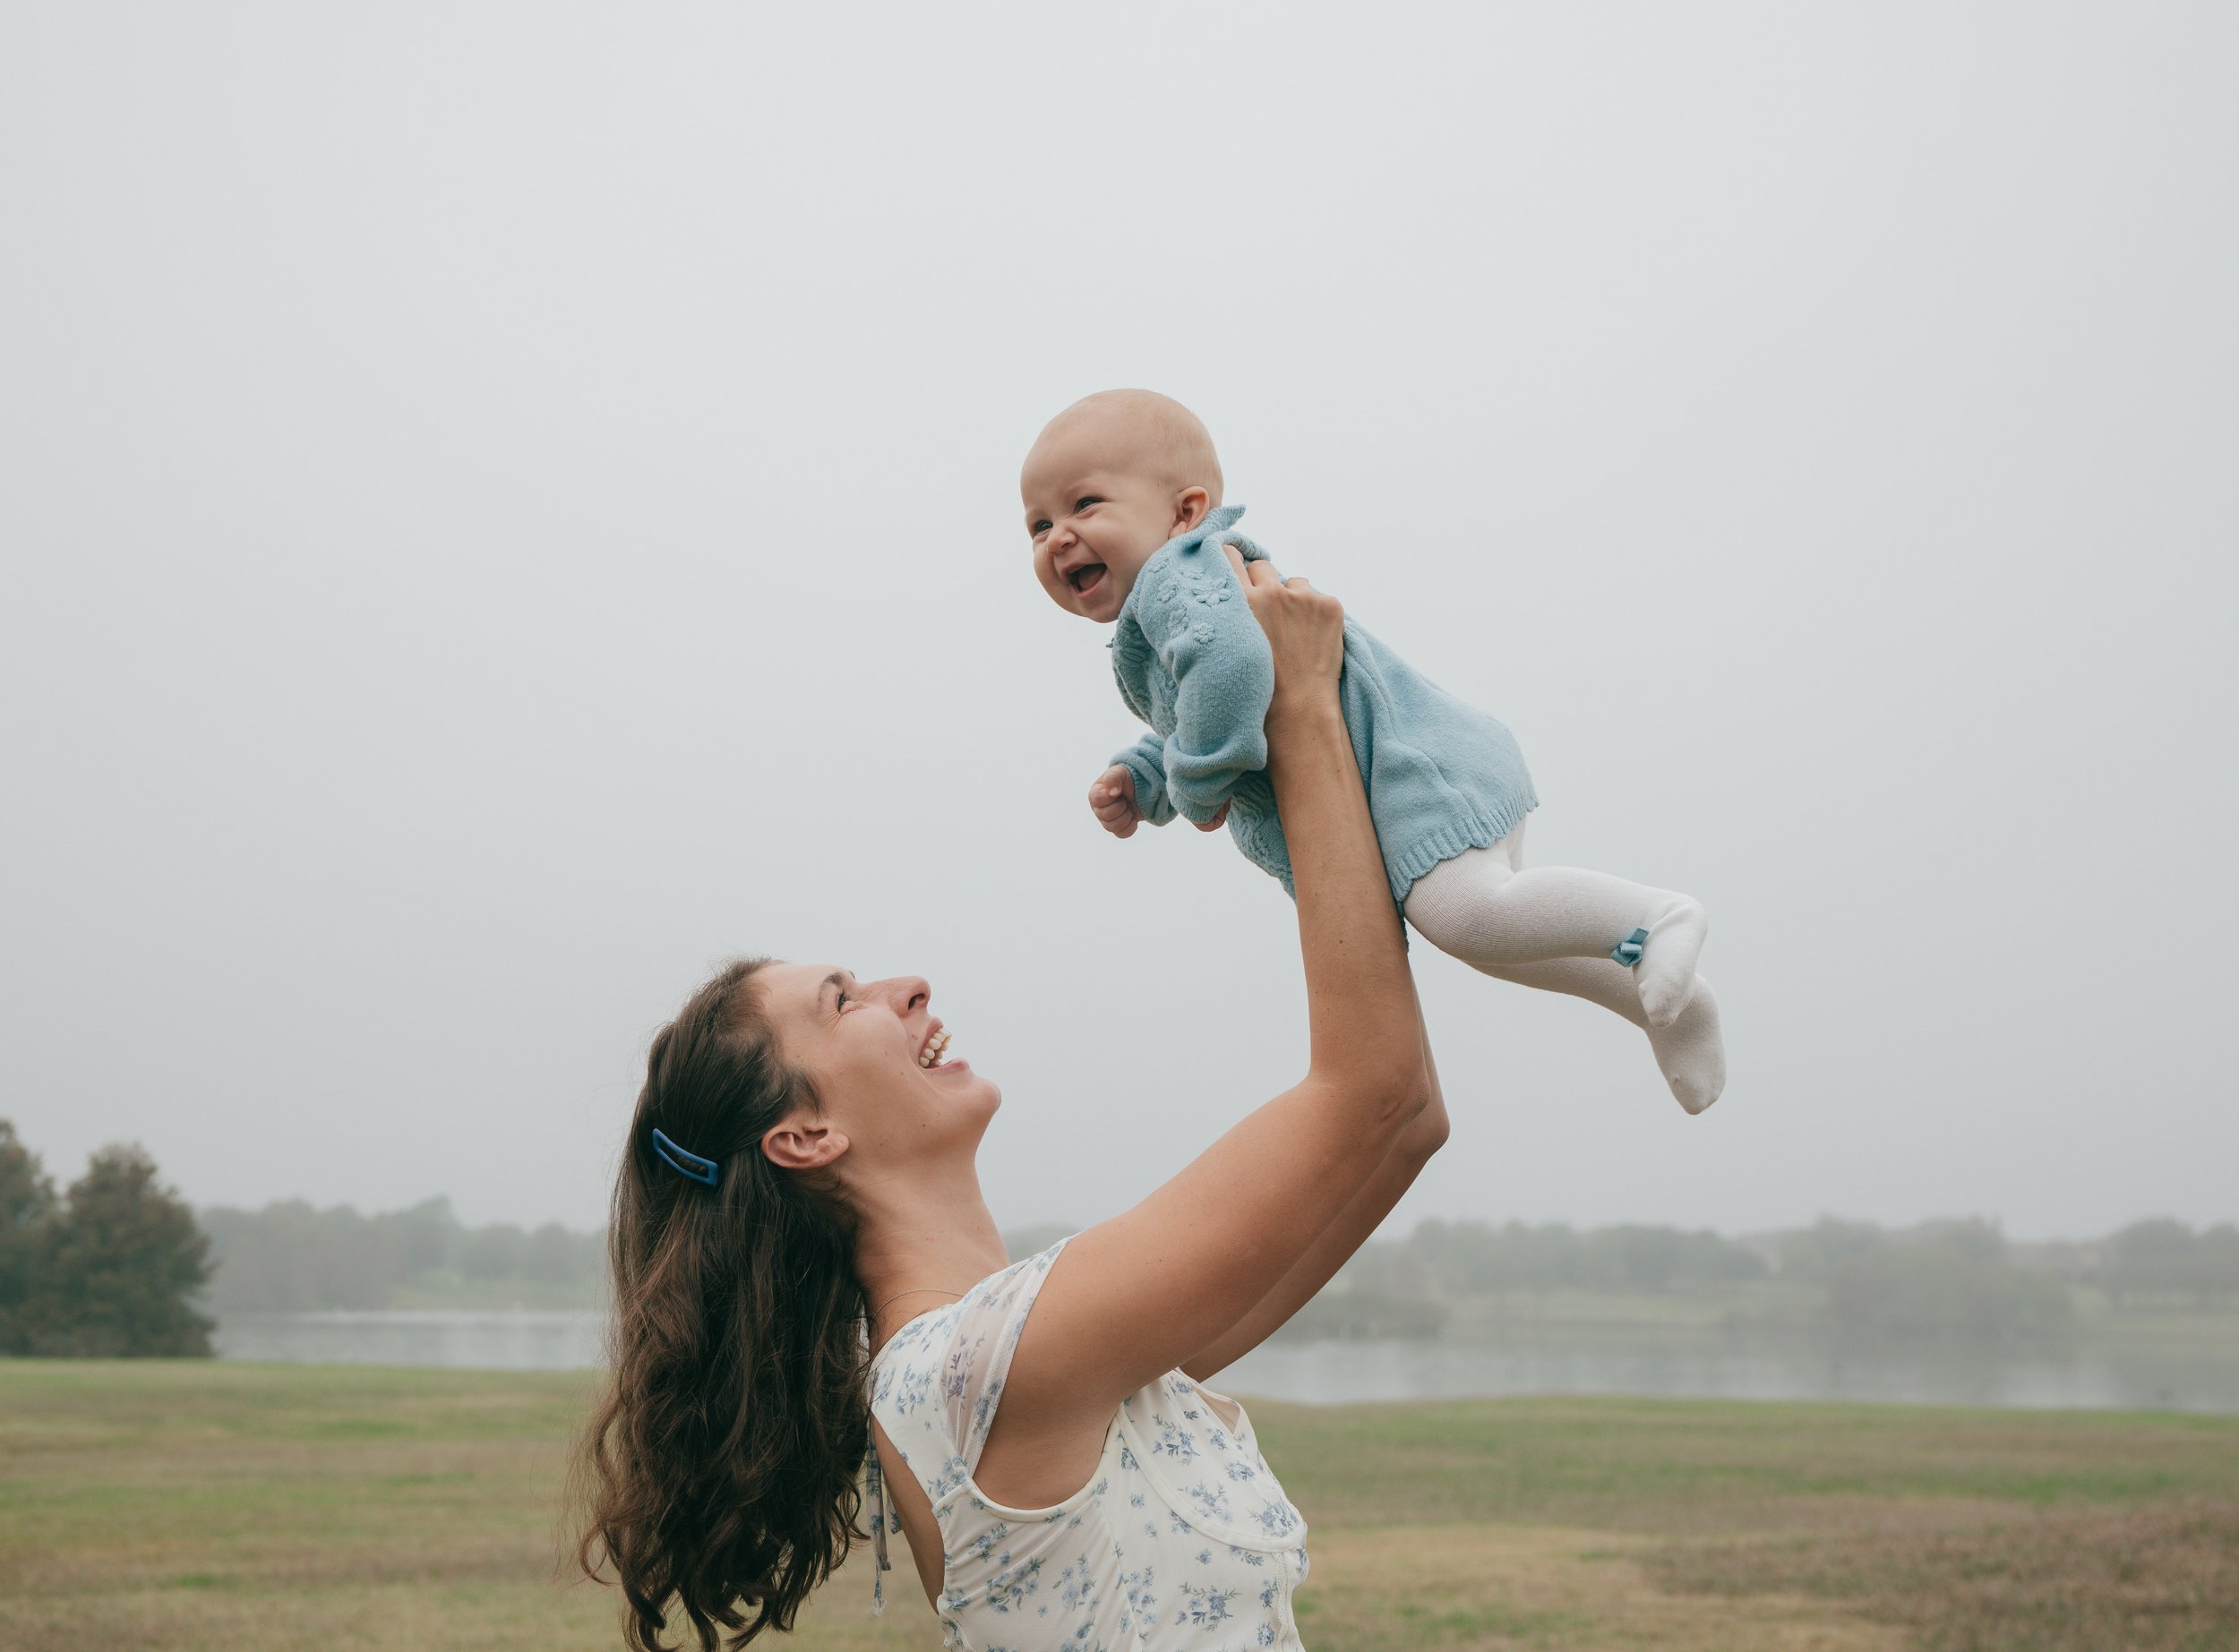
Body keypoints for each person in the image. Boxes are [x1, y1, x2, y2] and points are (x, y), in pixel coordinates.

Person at [577, 560, 1446, 1650]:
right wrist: (1304, 704)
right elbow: (1365, 1095)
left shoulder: (1050, 1352)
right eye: (842, 1000)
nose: (909, 987)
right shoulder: (982, 1367)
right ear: (804, 1137)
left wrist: (1297, 738)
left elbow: (1406, 1119)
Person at [1024, 389, 1727, 1115]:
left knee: (1471, 918)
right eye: (1039, 523)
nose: (1057, 537)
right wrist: (1146, 778)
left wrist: (1198, 786)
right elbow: (1195, 709)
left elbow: (1227, 670)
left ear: (1184, 511)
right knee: (1489, 939)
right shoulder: (1180, 596)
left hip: (1413, 769)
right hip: (1417, 770)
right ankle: (1668, 1001)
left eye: (1085, 505)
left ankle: (1660, 915)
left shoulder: (1179, 575)